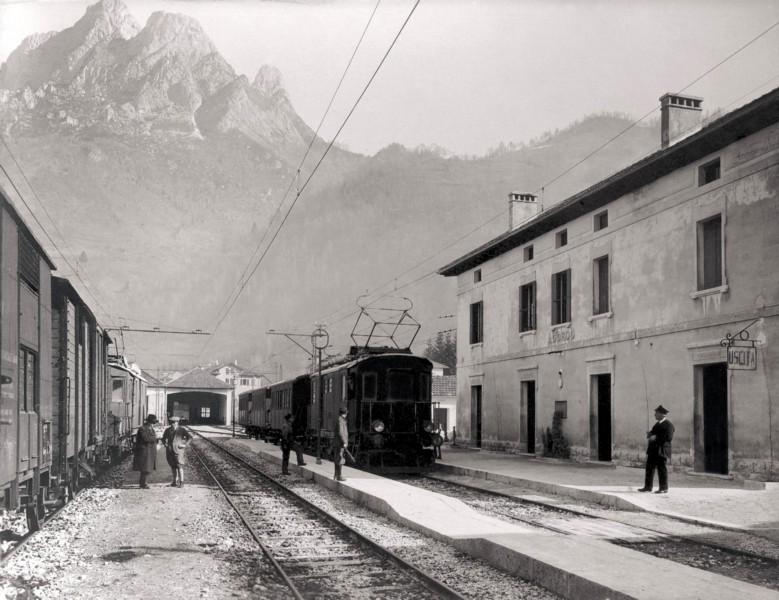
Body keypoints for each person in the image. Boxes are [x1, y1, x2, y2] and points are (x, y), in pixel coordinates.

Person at [638, 405, 675, 494]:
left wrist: (656, 437)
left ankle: (663, 488)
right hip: (653, 451)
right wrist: (649, 434)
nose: (654, 415)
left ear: (662, 415)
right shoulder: (657, 424)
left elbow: (669, 438)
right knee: (649, 468)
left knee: (662, 469)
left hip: (661, 451)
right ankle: (648, 487)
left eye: (656, 413)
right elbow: (652, 434)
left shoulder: (669, 425)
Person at [162, 416, 192, 487]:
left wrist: (185, 445)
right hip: (170, 450)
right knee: (173, 466)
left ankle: (182, 482)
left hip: (179, 450)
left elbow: (190, 438)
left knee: (180, 466)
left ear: (177, 423)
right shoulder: (167, 430)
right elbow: (163, 438)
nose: (172, 424)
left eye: (174, 423)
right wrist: (165, 444)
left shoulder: (182, 430)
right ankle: (174, 482)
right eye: (171, 422)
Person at [132, 414, 158, 489]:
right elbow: (146, 439)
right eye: (152, 423)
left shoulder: (151, 429)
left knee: (148, 468)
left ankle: (143, 483)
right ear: (149, 422)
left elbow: (151, 437)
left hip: (150, 450)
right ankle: (143, 483)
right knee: (145, 468)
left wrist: (154, 438)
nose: (153, 424)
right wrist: (155, 439)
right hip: (144, 451)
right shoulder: (142, 429)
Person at [333, 406, 348, 482]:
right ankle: (339, 476)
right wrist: (344, 442)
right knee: (340, 458)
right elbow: (340, 433)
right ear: (345, 413)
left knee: (338, 458)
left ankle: (336, 475)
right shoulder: (340, 421)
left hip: (339, 443)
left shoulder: (340, 420)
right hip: (340, 443)